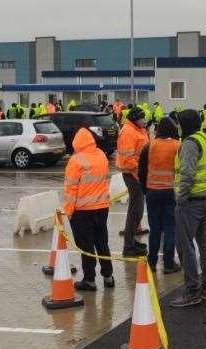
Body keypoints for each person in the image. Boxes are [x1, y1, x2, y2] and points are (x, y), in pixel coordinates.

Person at [170, 109, 206, 308]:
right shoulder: (203, 138)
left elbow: (187, 175)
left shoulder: (189, 144)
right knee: (203, 242)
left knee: (185, 245)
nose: (178, 126)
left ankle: (192, 290)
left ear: (186, 124)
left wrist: (180, 199)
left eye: (179, 123)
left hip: (192, 201)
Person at [63, 127, 115, 290]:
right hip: (102, 207)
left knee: (86, 247)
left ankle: (89, 280)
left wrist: (69, 211)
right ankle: (108, 277)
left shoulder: (75, 160)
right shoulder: (101, 155)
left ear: (76, 142)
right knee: (102, 243)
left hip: (83, 211)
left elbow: (71, 189)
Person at [137, 117, 182, 274]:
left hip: (152, 192)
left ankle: (152, 262)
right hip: (171, 192)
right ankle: (169, 263)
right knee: (170, 227)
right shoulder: (178, 146)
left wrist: (145, 189)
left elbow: (141, 171)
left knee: (155, 228)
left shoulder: (149, 146)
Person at [116, 106, 150, 257]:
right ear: (136, 119)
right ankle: (128, 247)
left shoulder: (138, 129)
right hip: (133, 175)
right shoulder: (128, 132)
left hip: (138, 174)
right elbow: (128, 160)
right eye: (142, 118)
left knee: (136, 211)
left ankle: (131, 241)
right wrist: (141, 172)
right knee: (136, 211)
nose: (145, 120)